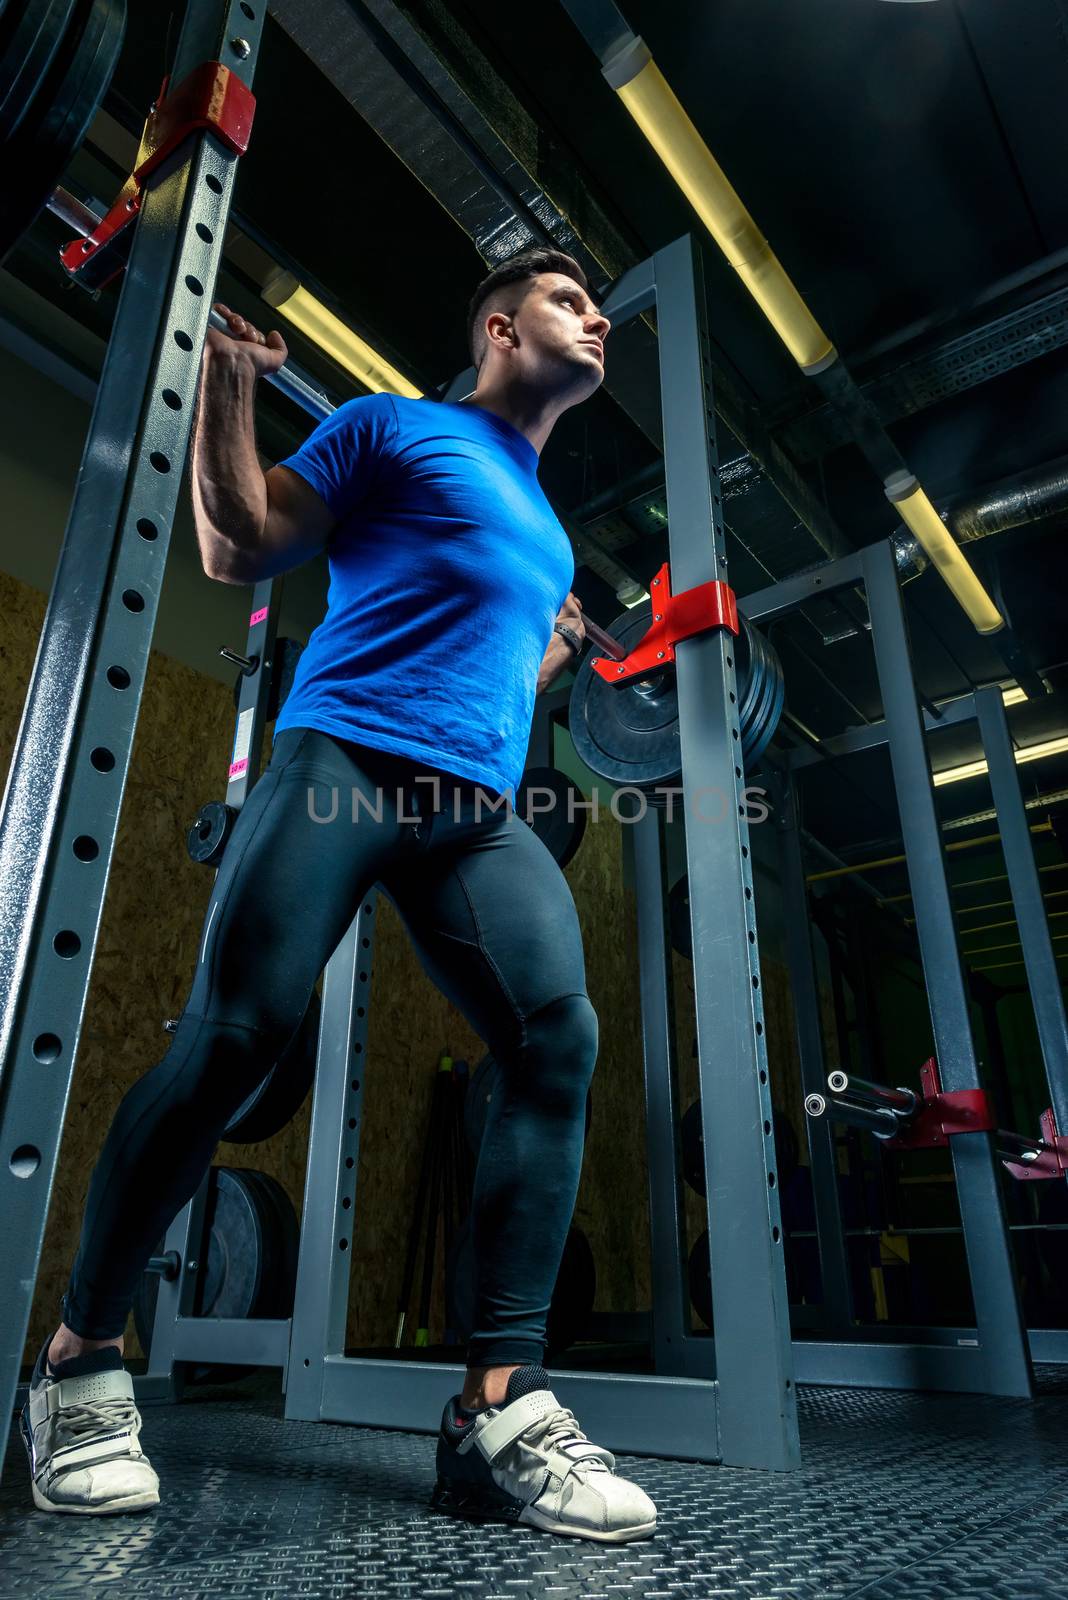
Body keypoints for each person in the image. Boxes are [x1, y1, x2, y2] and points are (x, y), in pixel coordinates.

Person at [22, 247, 657, 1542]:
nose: (596, 319)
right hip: (344, 764)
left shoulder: (549, 531)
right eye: (565, 302)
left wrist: (548, 656)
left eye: (599, 309)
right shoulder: (390, 429)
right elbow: (238, 542)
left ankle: (499, 1407)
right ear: (498, 326)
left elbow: (487, 674)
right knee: (236, 1040)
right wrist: (227, 387)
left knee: (558, 1037)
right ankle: (79, 1364)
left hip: (469, 810)